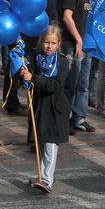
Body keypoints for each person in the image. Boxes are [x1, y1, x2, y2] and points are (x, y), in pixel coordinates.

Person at [18, 25, 71, 193]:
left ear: (59, 44)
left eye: (53, 43)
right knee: (41, 143)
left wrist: (34, 78)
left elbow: (54, 85)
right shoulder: (35, 57)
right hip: (39, 105)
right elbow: (27, 74)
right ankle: (42, 175)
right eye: (47, 42)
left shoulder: (62, 61)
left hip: (55, 107)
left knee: (50, 144)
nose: (49, 46)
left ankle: (47, 180)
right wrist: (22, 71)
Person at [61, 0, 98, 133]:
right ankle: (63, 118)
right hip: (73, 45)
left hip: (87, 46)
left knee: (83, 85)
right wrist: (77, 39)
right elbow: (67, 16)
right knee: (71, 84)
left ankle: (79, 117)